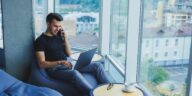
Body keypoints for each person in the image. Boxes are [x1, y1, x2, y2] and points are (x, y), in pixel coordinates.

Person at [35, 13, 110, 95]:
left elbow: (69, 54)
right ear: (48, 24)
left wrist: (65, 39)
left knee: (97, 66)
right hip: (55, 69)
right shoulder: (40, 41)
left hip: (68, 64)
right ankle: (93, 94)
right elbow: (41, 64)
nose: (58, 29)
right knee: (74, 74)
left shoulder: (59, 35)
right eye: (55, 26)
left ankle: (109, 88)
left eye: (60, 26)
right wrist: (60, 62)